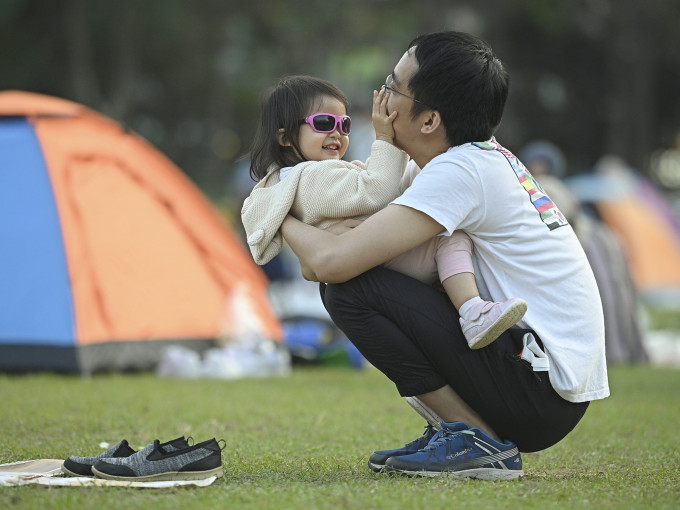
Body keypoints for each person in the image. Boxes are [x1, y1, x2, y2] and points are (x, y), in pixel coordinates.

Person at [279, 32, 610, 480]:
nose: (381, 98)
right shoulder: (460, 162)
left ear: (430, 119)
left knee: (348, 289)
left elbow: (331, 263)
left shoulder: (461, 171)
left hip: (538, 387)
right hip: (541, 382)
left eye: (393, 87)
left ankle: (474, 439)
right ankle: (459, 432)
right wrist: (330, 241)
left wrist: (277, 214)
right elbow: (321, 257)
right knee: (353, 279)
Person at [242, 75, 526, 350]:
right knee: (450, 238)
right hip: (376, 258)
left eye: (345, 124)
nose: (337, 133)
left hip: (367, 260)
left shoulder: (302, 178)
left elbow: (366, 185)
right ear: (285, 138)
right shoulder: (311, 178)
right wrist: (387, 139)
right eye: (324, 122)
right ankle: (473, 311)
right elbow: (376, 191)